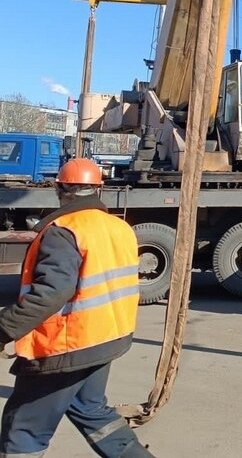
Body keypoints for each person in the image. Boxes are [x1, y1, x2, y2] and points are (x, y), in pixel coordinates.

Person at [0, 159, 152, 457]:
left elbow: (50, 294)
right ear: (99, 189)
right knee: (92, 412)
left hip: (66, 347)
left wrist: (4, 329)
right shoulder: (119, 227)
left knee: (22, 430)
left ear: (59, 189)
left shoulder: (63, 231)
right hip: (106, 339)